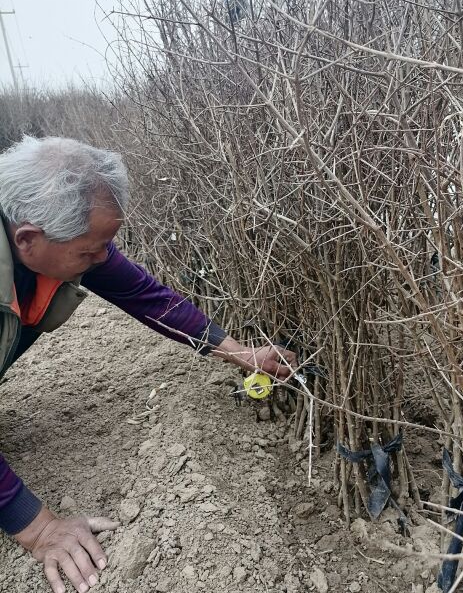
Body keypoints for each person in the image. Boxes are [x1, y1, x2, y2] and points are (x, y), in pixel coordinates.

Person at [0, 136, 297, 593]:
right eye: (91, 251)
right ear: (28, 239)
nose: (103, 260)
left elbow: (145, 295)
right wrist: (38, 528)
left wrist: (239, 353)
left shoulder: (56, 238)